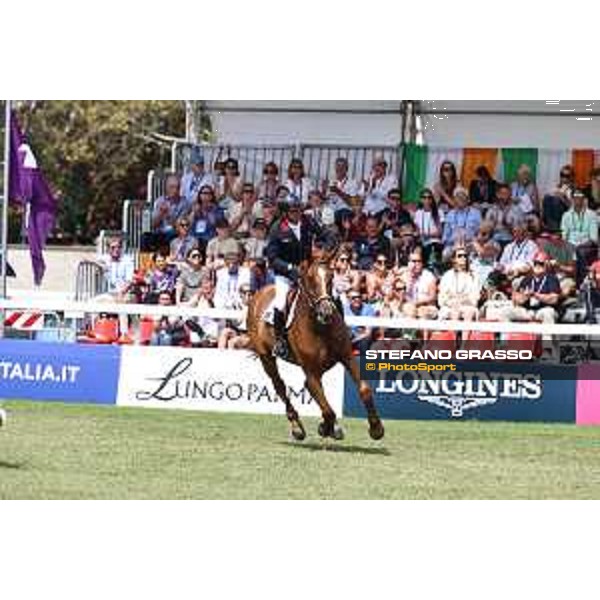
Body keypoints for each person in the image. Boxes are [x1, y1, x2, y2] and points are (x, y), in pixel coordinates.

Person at [264, 196, 323, 358]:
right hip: (286, 274)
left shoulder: (308, 221)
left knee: (329, 293)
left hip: (308, 270)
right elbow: (272, 259)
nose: (297, 214)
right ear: (286, 212)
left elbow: (323, 235)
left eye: (299, 210)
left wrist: (328, 244)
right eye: (293, 211)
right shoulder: (277, 229)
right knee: (281, 302)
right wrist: (291, 269)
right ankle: (280, 341)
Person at [560, 189, 599, 285]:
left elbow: (593, 239)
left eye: (580, 198)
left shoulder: (591, 215)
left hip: (586, 247)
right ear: (572, 200)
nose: (577, 200)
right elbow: (564, 236)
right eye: (575, 198)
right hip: (571, 246)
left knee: (579, 251)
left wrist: (579, 246)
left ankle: (580, 283)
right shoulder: (566, 215)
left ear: (584, 200)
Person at [510, 251, 561, 324]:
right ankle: (507, 335)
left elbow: (554, 299)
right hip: (527, 310)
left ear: (547, 265)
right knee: (506, 312)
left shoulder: (552, 279)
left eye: (541, 264)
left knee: (549, 312)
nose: (537, 266)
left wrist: (535, 295)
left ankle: (547, 335)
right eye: (535, 263)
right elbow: (517, 299)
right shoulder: (527, 279)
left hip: (543, 310)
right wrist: (524, 297)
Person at [438, 246, 481, 321]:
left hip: (467, 305)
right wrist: (451, 302)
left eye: (465, 256)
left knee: (468, 312)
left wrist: (462, 300)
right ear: (454, 259)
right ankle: (453, 332)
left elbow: (475, 297)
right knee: (454, 312)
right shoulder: (447, 275)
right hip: (450, 305)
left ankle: (465, 333)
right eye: (460, 256)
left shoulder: (473, 276)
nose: (463, 258)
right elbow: (442, 296)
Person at [398, 248, 438, 319]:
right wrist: (409, 278)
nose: (416, 264)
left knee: (423, 312)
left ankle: (422, 330)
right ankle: (410, 330)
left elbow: (433, 297)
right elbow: (400, 296)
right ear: (409, 263)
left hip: (427, 305)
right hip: (409, 305)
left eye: (418, 261)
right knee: (410, 309)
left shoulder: (429, 276)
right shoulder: (403, 275)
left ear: (422, 263)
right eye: (413, 261)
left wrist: (417, 303)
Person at [441, 187, 481, 256]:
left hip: (470, 244)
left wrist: (471, 240)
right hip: (453, 245)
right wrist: (453, 241)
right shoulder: (450, 214)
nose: (460, 198)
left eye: (463, 196)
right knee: (445, 253)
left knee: (476, 250)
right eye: (458, 196)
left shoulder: (476, 213)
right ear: (454, 199)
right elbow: (445, 237)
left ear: (468, 199)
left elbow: (480, 233)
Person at [497, 220, 538, 285]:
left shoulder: (531, 246)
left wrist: (517, 271)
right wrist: (501, 268)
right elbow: (502, 263)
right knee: (492, 276)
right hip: (506, 272)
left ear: (525, 233)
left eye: (519, 231)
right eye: (515, 232)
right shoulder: (509, 246)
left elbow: (530, 265)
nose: (517, 234)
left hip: (521, 274)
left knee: (516, 282)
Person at [413, 188, 443, 273]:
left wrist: (427, 234)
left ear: (432, 199)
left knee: (431, 248)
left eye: (429, 197)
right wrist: (418, 234)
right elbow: (417, 230)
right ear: (421, 199)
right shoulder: (418, 213)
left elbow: (440, 232)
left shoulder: (438, 212)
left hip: (434, 241)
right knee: (416, 249)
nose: (426, 200)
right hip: (422, 241)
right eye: (424, 197)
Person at [152, 174, 190, 239]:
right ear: (166, 187)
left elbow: (181, 226)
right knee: (145, 237)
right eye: (172, 187)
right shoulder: (159, 201)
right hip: (159, 233)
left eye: (177, 188)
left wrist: (168, 215)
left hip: (175, 234)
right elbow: (153, 225)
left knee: (170, 234)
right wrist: (161, 214)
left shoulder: (184, 203)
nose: (175, 190)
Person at [218, 283, 253, 349]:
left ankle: (231, 358)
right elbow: (235, 322)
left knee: (232, 341)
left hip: (248, 335)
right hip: (238, 332)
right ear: (240, 294)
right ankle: (220, 356)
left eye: (250, 293)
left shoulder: (254, 306)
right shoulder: (236, 305)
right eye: (244, 293)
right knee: (225, 331)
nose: (247, 295)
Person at [189, 185, 224, 252]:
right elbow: (188, 224)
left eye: (208, 193)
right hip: (195, 237)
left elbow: (216, 224)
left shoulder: (217, 209)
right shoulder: (195, 207)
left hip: (209, 238)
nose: (206, 196)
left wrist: (209, 211)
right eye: (204, 193)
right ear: (200, 195)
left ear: (211, 196)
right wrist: (193, 212)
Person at [342, 290, 377, 355]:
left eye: (359, 297)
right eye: (353, 298)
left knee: (364, 342)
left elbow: (368, 333)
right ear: (348, 299)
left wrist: (353, 341)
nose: (357, 299)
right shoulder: (344, 309)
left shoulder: (368, 309)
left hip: (362, 338)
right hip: (348, 336)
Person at [542, 165, 575, 233]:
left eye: (567, 176)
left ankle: (555, 228)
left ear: (571, 177)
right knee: (547, 198)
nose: (564, 178)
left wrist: (563, 198)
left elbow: (573, 208)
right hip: (554, 213)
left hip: (566, 213)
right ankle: (549, 225)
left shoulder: (574, 190)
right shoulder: (557, 187)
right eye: (562, 175)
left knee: (556, 200)